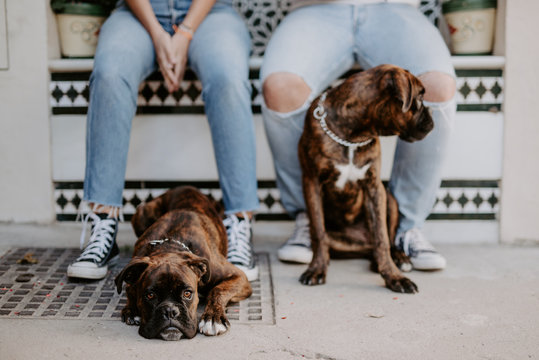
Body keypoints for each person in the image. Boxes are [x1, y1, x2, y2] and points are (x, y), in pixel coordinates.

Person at [67, 0, 259, 282]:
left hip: (210, 13)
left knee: (228, 79)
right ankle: (103, 222)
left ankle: (240, 222)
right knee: (109, 75)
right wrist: (158, 34)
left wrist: (185, 32)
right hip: (138, 13)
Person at [260, 0, 456, 271]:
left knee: (439, 86)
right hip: (315, 8)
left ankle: (405, 228)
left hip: (394, 8)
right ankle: (307, 219)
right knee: (280, 87)